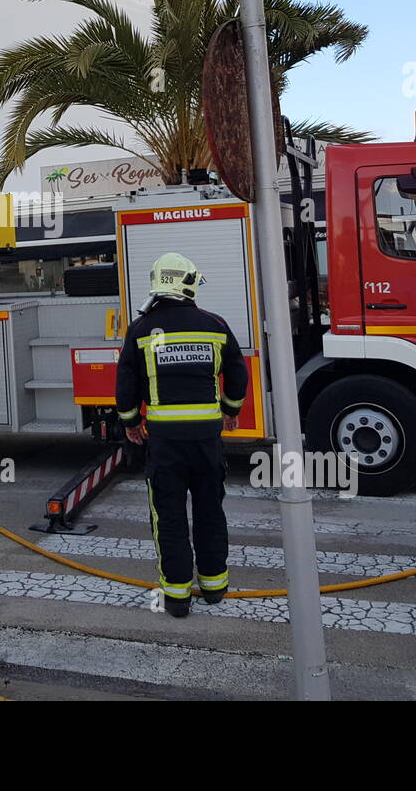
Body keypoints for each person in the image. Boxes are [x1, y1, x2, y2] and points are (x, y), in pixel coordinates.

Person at [115, 252, 249, 617]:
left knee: (169, 516)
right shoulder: (215, 325)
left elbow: (126, 381)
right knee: (210, 510)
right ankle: (214, 587)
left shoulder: (141, 330)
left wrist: (130, 422)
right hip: (207, 439)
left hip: (165, 442)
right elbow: (238, 373)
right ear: (189, 283)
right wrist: (231, 410)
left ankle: (176, 598)